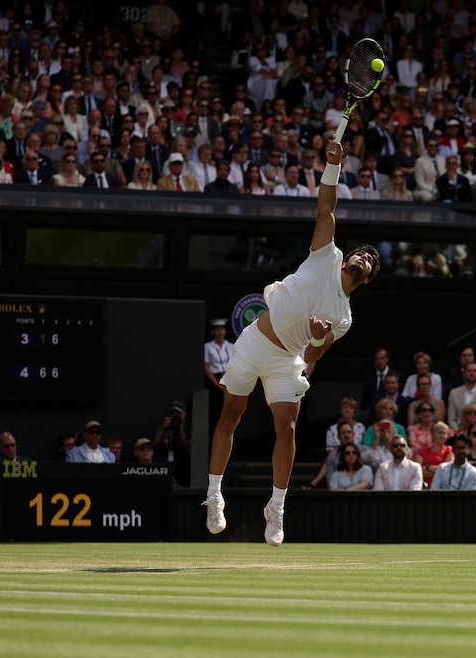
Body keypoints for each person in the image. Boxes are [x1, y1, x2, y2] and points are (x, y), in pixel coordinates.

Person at [202, 137, 381, 547]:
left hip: (287, 359)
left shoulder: (344, 318)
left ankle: (276, 509)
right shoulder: (326, 253)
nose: (361, 258)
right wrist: (332, 167)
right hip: (255, 342)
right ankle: (214, 496)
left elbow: (316, 353)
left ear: (366, 278)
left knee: (288, 428)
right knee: (231, 413)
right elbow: (327, 207)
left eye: (369, 261)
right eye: (360, 254)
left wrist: (317, 337)